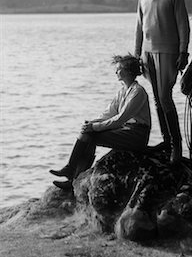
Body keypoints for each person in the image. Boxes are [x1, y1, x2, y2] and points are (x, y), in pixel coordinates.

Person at [50, 54, 151, 190]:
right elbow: (109, 113)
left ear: (128, 71)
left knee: (92, 135)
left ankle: (72, 175)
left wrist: (95, 127)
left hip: (136, 135)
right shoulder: (122, 91)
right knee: (88, 133)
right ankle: (71, 172)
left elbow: (120, 119)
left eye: (119, 69)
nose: (116, 72)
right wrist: (91, 124)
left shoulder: (138, 92)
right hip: (126, 130)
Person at [134, 0, 190, 163]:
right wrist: (137, 55)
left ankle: (176, 145)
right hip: (147, 53)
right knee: (157, 99)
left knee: (165, 97)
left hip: (167, 52)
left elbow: (183, 25)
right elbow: (139, 28)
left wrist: (183, 52)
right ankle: (167, 141)